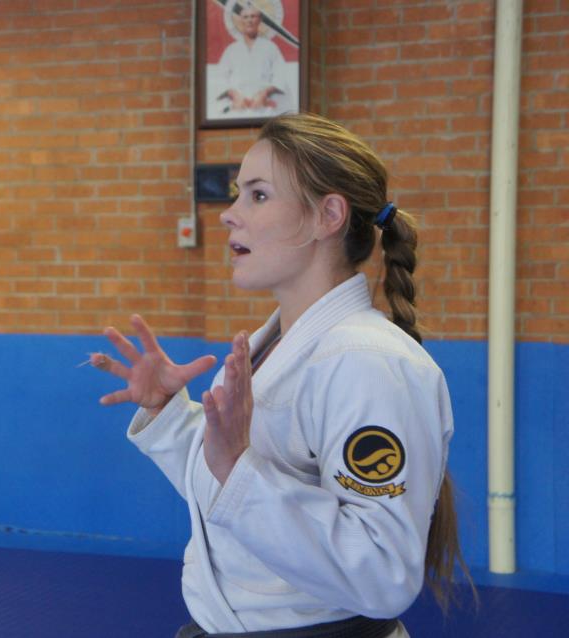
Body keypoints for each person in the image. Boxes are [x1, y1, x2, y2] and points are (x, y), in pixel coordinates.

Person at [91, 113, 470, 637]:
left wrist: (239, 469)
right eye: (237, 194)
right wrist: (167, 415)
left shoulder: (368, 363)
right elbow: (228, 492)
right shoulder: (275, 347)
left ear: (327, 215)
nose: (229, 215)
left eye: (259, 195)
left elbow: (382, 575)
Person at [216, 2, 293, 115]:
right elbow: (220, 78)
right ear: (240, 21)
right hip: (238, 107)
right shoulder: (231, 50)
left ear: (259, 20)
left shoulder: (271, 48)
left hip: (264, 108)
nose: (249, 20)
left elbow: (280, 76)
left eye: (253, 16)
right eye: (245, 17)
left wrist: (264, 93)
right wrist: (235, 95)